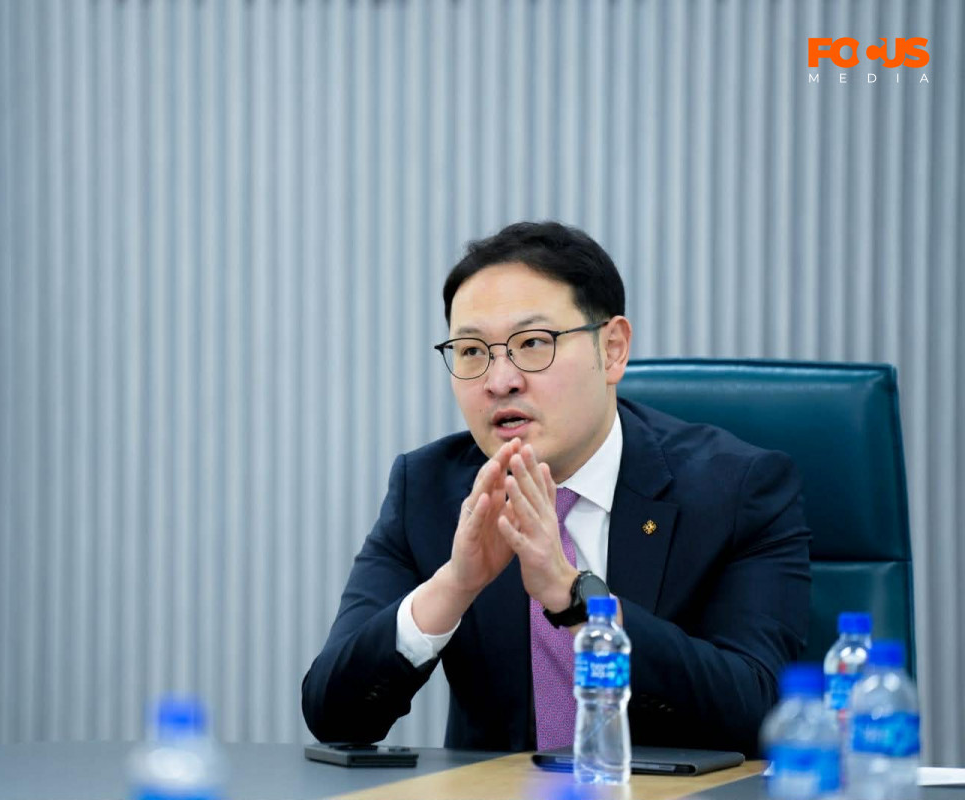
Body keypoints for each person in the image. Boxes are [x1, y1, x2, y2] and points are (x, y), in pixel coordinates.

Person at [301, 221, 811, 756]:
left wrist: (577, 602)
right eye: (472, 351)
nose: (500, 381)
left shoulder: (738, 491)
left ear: (612, 350)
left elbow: (760, 712)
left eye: (532, 343)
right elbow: (334, 717)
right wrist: (453, 586)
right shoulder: (429, 491)